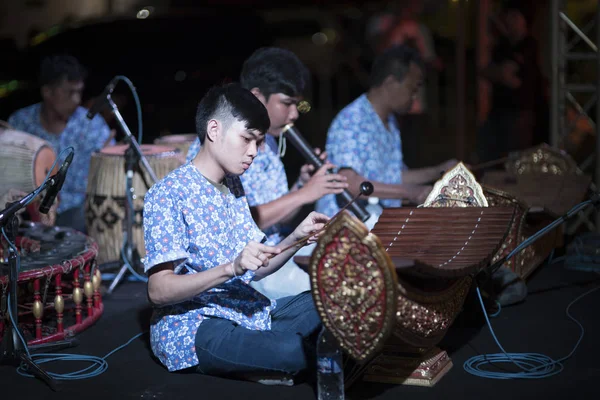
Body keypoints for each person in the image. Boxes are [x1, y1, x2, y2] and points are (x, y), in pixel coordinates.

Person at [143, 83, 325, 384]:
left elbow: (257, 267)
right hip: (197, 324)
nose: (253, 152)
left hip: (243, 309)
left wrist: (298, 238)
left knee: (328, 305)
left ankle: (265, 359)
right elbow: (158, 291)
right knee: (294, 350)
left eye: (258, 142)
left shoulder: (233, 187)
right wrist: (231, 268)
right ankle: (276, 358)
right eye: (247, 139)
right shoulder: (168, 193)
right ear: (214, 130)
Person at [186, 47, 348, 299]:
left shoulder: (270, 141)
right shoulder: (222, 147)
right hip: (245, 269)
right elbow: (240, 222)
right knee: (329, 293)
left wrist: (301, 186)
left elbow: (281, 218)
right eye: (287, 103)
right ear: (257, 97)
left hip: (278, 251)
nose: (294, 114)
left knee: (350, 258)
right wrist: (305, 193)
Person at [316, 45, 457, 218]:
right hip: (346, 228)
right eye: (412, 90)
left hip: (375, 220)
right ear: (390, 83)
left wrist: (440, 171)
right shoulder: (352, 120)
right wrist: (410, 192)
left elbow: (392, 177)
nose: (415, 98)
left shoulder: (390, 121)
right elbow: (349, 183)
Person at [8, 54, 113, 233]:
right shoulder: (21, 123)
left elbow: (109, 174)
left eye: (79, 92)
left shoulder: (91, 125)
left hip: (77, 212)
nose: (77, 100)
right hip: (28, 213)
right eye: (69, 92)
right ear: (47, 92)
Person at [476, 1, 544, 164]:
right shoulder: (502, 46)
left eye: (515, 16)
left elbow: (510, 78)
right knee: (491, 160)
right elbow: (485, 71)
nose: (510, 20)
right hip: (498, 113)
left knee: (516, 163)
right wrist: (498, 73)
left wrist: (498, 73)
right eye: (508, 16)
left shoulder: (529, 46)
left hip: (519, 115)